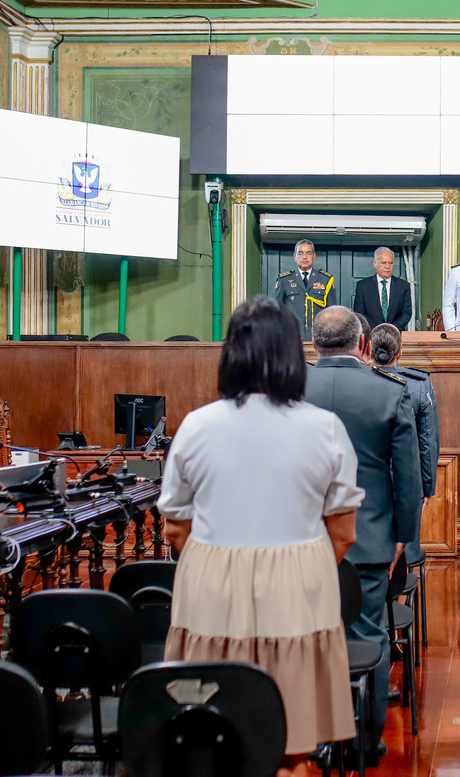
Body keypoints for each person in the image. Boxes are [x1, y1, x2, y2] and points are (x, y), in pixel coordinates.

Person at [160, 296, 360, 776]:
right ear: (295, 355)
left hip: (209, 592)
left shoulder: (195, 425)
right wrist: (292, 569)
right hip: (298, 594)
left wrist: (225, 562)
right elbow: (343, 534)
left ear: (231, 354)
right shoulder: (324, 429)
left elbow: (175, 527)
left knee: (210, 735)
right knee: (291, 744)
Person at [305, 305, 421, 764]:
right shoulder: (389, 393)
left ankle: (315, 740)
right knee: (368, 635)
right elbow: (406, 475)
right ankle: (365, 743)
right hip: (369, 537)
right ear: (364, 345)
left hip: (303, 537)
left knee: (310, 636)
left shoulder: (292, 391)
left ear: (315, 345)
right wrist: (403, 536)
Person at [371, 322, 439, 562]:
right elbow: (427, 442)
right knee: (407, 554)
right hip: (408, 481)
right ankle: (405, 597)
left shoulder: (360, 382)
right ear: (399, 353)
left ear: (369, 349)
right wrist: (427, 488)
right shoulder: (419, 385)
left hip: (367, 481)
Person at [274, 239, 336, 341]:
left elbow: (332, 313)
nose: (304, 257)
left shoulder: (326, 280)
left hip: (320, 340)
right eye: (300, 253)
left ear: (314, 256)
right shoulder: (284, 280)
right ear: (295, 256)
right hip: (292, 339)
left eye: (308, 253)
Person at [353, 246, 413, 331]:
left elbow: (407, 313)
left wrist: (392, 328)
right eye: (384, 263)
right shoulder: (363, 286)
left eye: (390, 263)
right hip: (372, 334)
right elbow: (359, 314)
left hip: (396, 335)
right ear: (375, 263)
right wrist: (378, 329)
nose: (387, 266)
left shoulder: (403, 286)